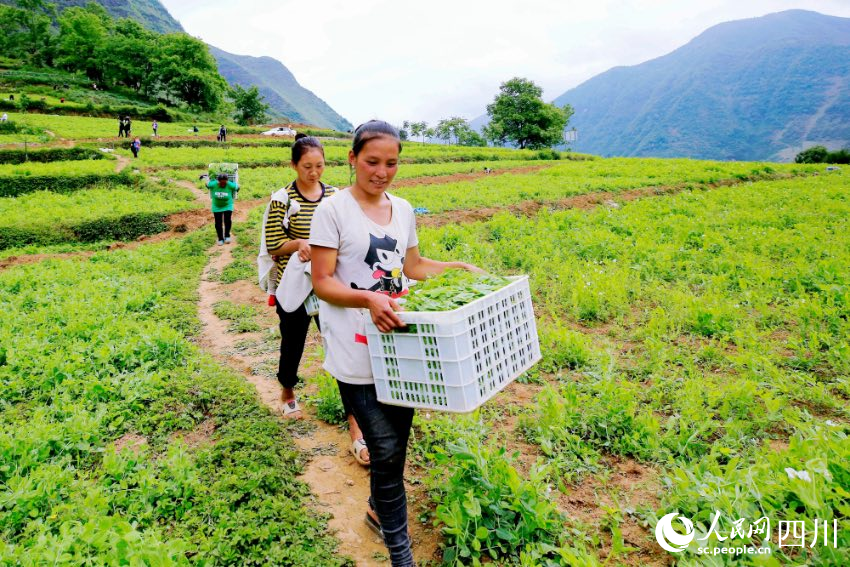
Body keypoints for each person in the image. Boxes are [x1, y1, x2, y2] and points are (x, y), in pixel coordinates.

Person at [310, 121, 480, 566]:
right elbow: (323, 282)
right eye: (372, 161)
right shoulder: (333, 212)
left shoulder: (403, 209)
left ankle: (376, 509)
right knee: (384, 449)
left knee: (396, 447)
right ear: (352, 159)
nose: (381, 171)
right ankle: (401, 555)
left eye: (391, 163)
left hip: (400, 349)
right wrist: (367, 298)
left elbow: (414, 266)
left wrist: (456, 268)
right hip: (354, 347)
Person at [262, 134, 372, 465]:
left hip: (329, 285)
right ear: (294, 165)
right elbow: (272, 245)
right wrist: (298, 245)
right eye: (307, 166)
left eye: (320, 166)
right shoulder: (283, 199)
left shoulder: (336, 197)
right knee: (293, 343)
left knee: (343, 349)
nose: (314, 172)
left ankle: (356, 428)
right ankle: (287, 391)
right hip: (294, 286)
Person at [207, 172, 238, 245]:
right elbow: (207, 185)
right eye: (221, 183)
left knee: (227, 221)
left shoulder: (230, 185)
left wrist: (237, 188)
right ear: (218, 181)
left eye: (225, 182)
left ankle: (227, 236)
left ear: (227, 181)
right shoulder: (213, 184)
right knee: (218, 223)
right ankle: (220, 238)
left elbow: (237, 187)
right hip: (216, 206)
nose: (223, 184)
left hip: (228, 205)